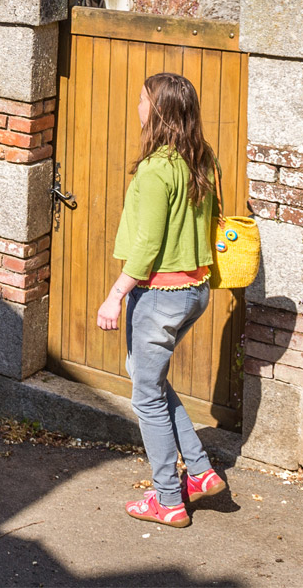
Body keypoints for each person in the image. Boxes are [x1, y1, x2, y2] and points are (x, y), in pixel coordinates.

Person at [95, 71, 227, 528]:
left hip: (159, 295)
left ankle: (168, 500)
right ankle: (201, 471)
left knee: (145, 397)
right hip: (195, 290)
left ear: (160, 111)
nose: (137, 106)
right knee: (145, 376)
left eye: (142, 99)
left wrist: (115, 297)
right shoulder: (203, 161)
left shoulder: (156, 170)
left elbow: (148, 245)